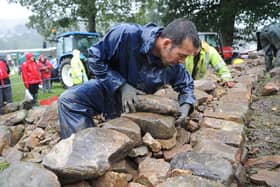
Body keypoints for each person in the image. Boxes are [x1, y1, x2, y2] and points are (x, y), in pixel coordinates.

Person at [58, 18, 200, 139]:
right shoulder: (126, 35)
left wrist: (186, 105)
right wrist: (121, 85)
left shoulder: (174, 64)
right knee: (68, 100)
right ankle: (82, 152)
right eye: (182, 55)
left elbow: (186, 85)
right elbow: (95, 58)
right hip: (109, 92)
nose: (182, 61)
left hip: (137, 106)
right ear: (166, 44)